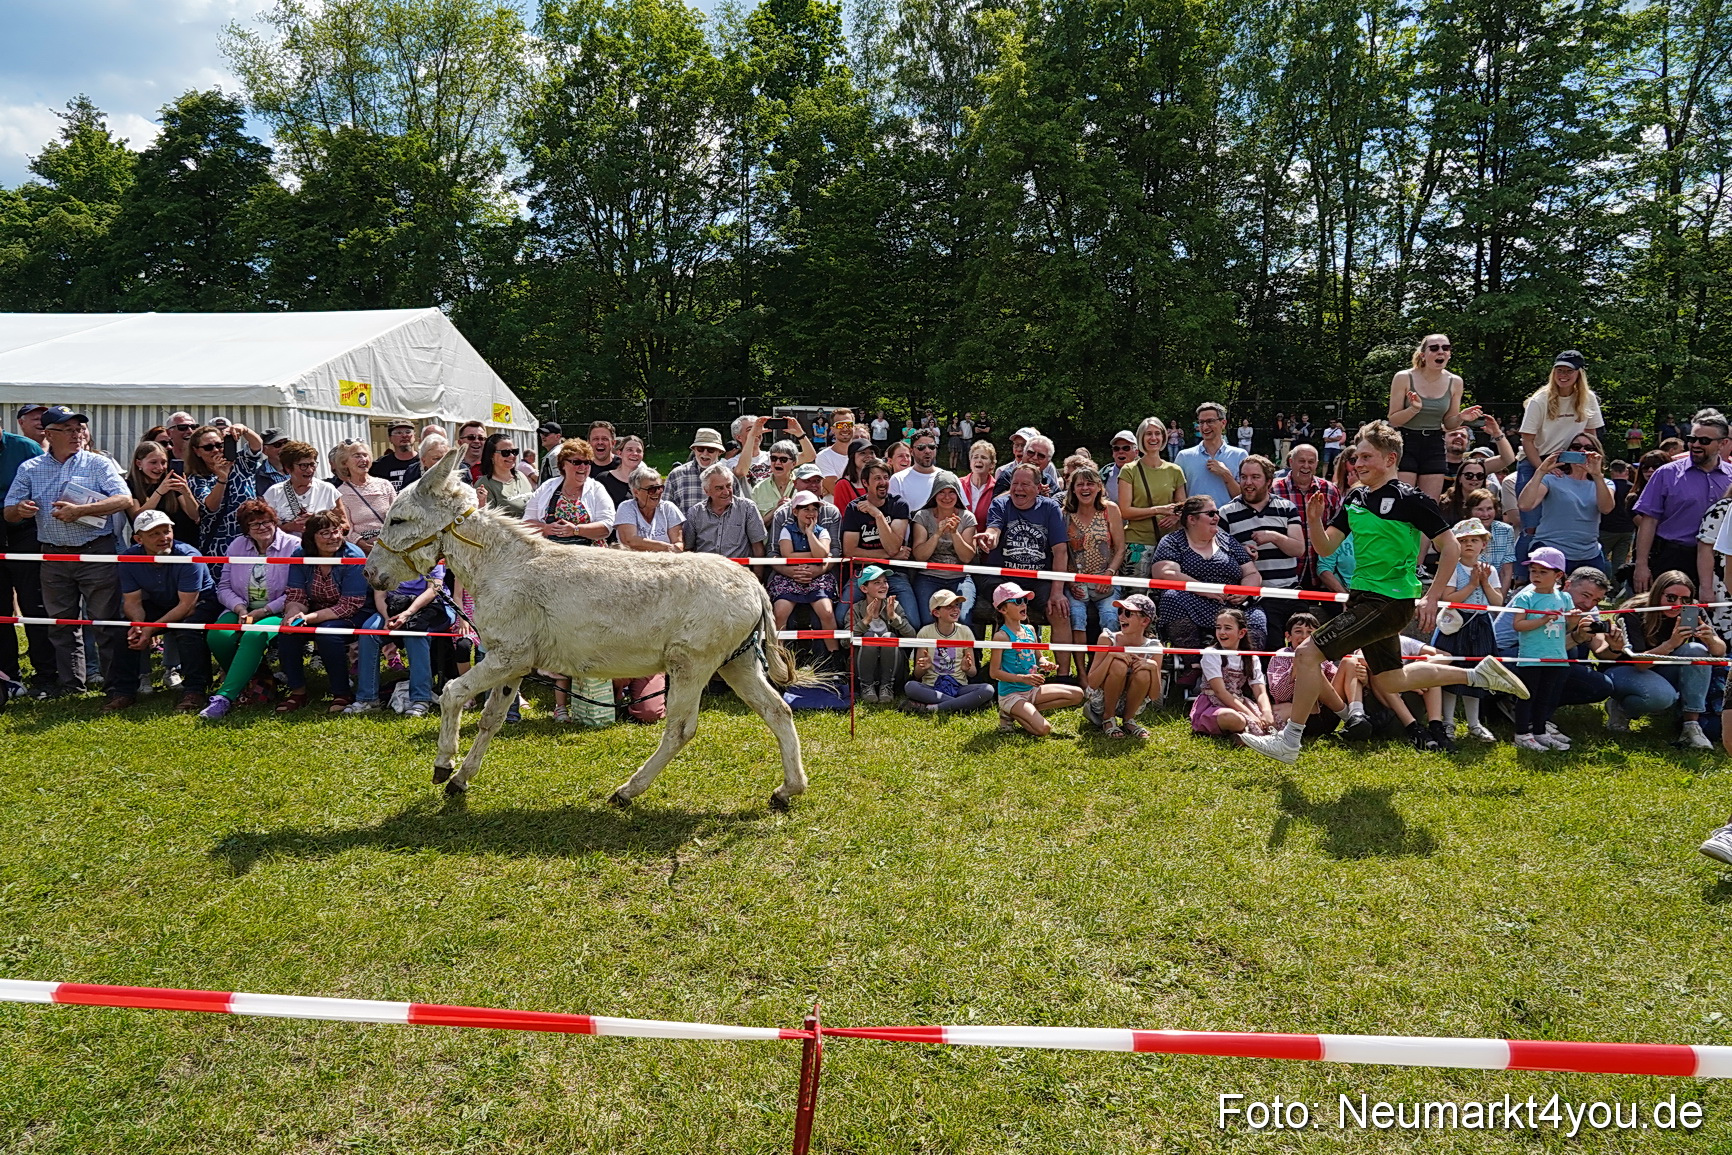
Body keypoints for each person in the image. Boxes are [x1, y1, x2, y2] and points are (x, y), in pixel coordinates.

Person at [1240, 420, 1531, 765]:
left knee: (1306, 654)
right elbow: (1326, 546)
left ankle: (1290, 741)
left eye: (1366, 457)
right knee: (1392, 679)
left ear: (1390, 458)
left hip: (1390, 600)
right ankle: (1478, 674)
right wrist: (1314, 520)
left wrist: (1433, 596)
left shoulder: (1411, 499)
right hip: (1363, 597)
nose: (1357, 464)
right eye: (1356, 457)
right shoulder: (1356, 497)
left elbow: (1450, 548)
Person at [2, 406, 133, 697]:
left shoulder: (98, 464)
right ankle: (71, 685)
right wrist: (19, 510)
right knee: (62, 624)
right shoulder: (30, 468)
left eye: (79, 429)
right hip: (53, 556)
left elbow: (124, 498)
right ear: (50, 434)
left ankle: (116, 685)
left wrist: (82, 511)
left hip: (96, 552)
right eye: (69, 430)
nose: (77, 435)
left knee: (105, 622)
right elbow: (9, 512)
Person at [106, 509, 216, 712]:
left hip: (200, 603)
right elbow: (132, 601)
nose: (163, 538)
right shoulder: (129, 558)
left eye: (166, 531)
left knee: (188, 630)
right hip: (161, 602)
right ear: (138, 538)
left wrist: (150, 629)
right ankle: (122, 692)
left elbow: (187, 605)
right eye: (154, 534)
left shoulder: (188, 556)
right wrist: (139, 626)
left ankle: (195, 690)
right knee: (125, 632)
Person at [200, 499, 299, 720]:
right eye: (254, 524)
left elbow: (296, 590)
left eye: (266, 522)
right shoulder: (236, 546)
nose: (262, 527)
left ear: (275, 522)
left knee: (254, 635)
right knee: (217, 637)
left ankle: (223, 698)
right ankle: (256, 678)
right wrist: (240, 608)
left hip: (278, 611)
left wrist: (264, 612)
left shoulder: (293, 546)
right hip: (241, 608)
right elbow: (223, 586)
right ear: (246, 529)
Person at [1617, 570, 1725, 748]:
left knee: (1697, 649)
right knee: (1660, 697)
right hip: (1628, 670)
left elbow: (1720, 651)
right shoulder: (1634, 611)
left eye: (1686, 599)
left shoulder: (1693, 610)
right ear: (1658, 593)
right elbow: (1639, 663)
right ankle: (1620, 707)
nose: (1678, 604)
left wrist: (1710, 639)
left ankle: (1691, 725)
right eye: (1671, 597)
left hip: (1664, 668)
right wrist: (1671, 643)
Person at [277, 512, 370, 713]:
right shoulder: (299, 555)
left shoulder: (354, 556)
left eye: (336, 531)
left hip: (356, 612)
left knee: (327, 634)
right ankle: (297, 692)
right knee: (287, 633)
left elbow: (349, 604)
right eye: (325, 533)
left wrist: (308, 618)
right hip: (314, 610)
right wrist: (292, 614)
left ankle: (341, 693)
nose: (334, 537)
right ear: (312, 538)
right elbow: (296, 594)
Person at [1150, 495, 1266, 651]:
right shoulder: (1173, 542)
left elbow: (1252, 573)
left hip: (1231, 604)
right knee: (1171, 597)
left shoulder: (1227, 541)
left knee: (1257, 616)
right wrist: (1203, 589)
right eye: (1210, 513)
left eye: (1217, 513)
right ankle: (1193, 664)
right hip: (1193, 600)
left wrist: (1244, 591)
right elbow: (1165, 572)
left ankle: (1246, 665)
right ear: (1192, 519)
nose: (1216, 517)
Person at [1633, 408, 1732, 589]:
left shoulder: (1730, 477)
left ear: (1722, 443)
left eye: (1704, 441)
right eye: (1692, 439)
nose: (1695, 445)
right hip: (1672, 558)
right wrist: (1641, 565)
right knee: (1669, 615)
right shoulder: (1667, 473)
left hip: (1720, 562)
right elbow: (1649, 522)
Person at [345, 559, 450, 719]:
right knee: (368, 632)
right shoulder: (384, 556)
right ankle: (368, 699)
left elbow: (433, 589)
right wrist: (388, 619)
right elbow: (379, 595)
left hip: (429, 606)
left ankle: (420, 699)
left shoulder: (428, 555)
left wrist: (407, 613)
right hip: (392, 607)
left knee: (414, 633)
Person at [1433, 518, 1503, 743]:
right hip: (1456, 625)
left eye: (1475, 540)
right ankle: (1448, 722)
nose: (1470, 544)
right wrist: (1472, 585)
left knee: (1478, 673)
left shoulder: (1489, 571)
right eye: (1463, 540)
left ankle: (1475, 723)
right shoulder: (1452, 567)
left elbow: (1497, 602)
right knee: (1451, 673)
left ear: (1484, 543)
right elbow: (1449, 598)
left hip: (1481, 626)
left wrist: (1484, 583)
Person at [1220, 455, 1304, 641]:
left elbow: (1298, 549)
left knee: (1307, 643)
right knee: (1272, 643)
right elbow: (1218, 555)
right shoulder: (1226, 513)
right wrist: (1240, 551)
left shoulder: (1286, 508)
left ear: (1269, 481)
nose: (1248, 482)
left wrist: (1273, 536)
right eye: (1243, 477)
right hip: (1258, 597)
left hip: (1290, 591)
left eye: (1255, 477)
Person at [977, 462, 1069, 632]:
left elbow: (1060, 551)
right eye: (1014, 484)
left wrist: (1057, 592)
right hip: (1002, 577)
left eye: (1025, 484)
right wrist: (989, 537)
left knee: (1060, 611)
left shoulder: (1050, 507)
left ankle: (1055, 659)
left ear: (1038, 488)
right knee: (1011, 600)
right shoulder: (1000, 504)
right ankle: (1010, 657)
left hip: (1038, 578)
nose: (1018, 488)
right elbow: (994, 530)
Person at [1388, 333, 1478, 502]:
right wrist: (1414, 409)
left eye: (1446, 348)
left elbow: (1450, 424)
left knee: (1429, 504)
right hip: (1405, 440)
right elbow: (1393, 419)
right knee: (1403, 500)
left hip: (1434, 443)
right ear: (1423, 354)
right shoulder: (1403, 377)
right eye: (1434, 348)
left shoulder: (1455, 381)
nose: (1441, 352)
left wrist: (1461, 417)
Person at [988, 581, 1085, 735]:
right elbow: (994, 673)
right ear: (1002, 609)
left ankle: (1017, 712)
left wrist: (1046, 664)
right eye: (1018, 601)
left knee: (1078, 694)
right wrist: (1022, 678)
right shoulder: (1001, 637)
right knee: (1044, 730)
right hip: (1011, 694)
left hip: (1032, 690)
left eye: (1025, 601)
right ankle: (1010, 710)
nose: (1023, 605)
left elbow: (1039, 657)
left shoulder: (1030, 630)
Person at [1507, 547, 1579, 752]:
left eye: (1542, 572)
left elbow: (1565, 627)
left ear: (1558, 576)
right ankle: (1522, 734)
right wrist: (1542, 619)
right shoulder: (1526, 597)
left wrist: (1572, 620)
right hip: (1531, 657)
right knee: (1527, 697)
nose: (1536, 576)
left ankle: (1540, 732)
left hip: (1556, 657)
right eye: (1533, 571)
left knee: (1545, 698)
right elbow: (1518, 625)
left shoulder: (1563, 598)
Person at [0, 403, 50, 695]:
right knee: (1, 611)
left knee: (34, 605)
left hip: (24, 533)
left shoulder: (26, 448)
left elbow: (45, 486)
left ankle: (45, 673)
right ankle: (8, 673)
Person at [1060, 465, 1125, 675]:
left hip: (1106, 577)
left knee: (1110, 616)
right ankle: (1081, 673)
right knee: (1077, 617)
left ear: (1099, 487)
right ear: (1073, 489)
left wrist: (1109, 575)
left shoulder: (1110, 510)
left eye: (1090, 483)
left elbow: (1120, 548)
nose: (1085, 488)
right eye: (1080, 484)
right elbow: (1062, 552)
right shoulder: (1065, 514)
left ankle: (1102, 669)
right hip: (1076, 579)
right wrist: (1070, 581)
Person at [1518, 431, 1614, 575]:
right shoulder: (1552, 479)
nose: (1582, 451)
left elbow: (1606, 508)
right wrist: (1541, 471)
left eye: (1589, 448)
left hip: (1588, 554)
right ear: (1567, 452)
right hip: (1550, 551)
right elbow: (1525, 505)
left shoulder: (1604, 483)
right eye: (1576, 447)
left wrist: (1597, 475)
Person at [770, 490, 842, 665]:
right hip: (789, 576)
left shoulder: (822, 531)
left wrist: (810, 534)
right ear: (795, 512)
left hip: (818, 577)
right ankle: (778, 658)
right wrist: (813, 557)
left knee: (826, 611)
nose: (811, 513)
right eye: (806, 509)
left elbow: (823, 555)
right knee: (780, 610)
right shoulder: (787, 530)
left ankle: (834, 658)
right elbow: (787, 554)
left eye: (814, 509)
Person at [1267, 613, 1368, 736]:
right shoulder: (1281, 655)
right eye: (1298, 631)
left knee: (1350, 662)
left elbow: (1332, 687)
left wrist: (1362, 678)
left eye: (1310, 633)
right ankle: (1348, 718)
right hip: (1301, 716)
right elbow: (1280, 694)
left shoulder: (1321, 656)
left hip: (1327, 713)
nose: (1304, 637)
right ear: (1288, 637)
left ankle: (1357, 714)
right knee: (1312, 669)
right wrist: (1297, 667)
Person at [1081, 593, 1162, 739]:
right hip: (1102, 701)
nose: (1121, 617)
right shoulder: (1107, 639)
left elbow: (1155, 695)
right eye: (1120, 611)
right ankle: (1108, 718)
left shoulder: (1154, 647)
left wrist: (1153, 666)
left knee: (1144, 671)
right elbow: (1092, 683)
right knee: (1118, 664)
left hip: (1132, 702)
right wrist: (1111, 655)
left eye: (1128, 613)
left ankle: (1128, 720)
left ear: (1145, 621)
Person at [902, 588, 993, 714]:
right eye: (949, 606)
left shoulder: (965, 631)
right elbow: (917, 675)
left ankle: (931, 708)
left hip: (958, 685)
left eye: (956, 605)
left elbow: (973, 673)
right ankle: (963, 703)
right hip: (932, 686)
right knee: (910, 687)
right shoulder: (925, 632)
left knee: (987, 689)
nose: (955, 609)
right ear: (936, 613)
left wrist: (967, 668)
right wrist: (924, 667)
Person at [185, 421, 270, 557]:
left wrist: (244, 429)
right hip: (218, 544)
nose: (215, 450)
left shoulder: (241, 462)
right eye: (208, 447)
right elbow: (211, 507)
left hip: (249, 539)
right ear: (197, 451)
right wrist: (222, 478)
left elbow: (257, 446)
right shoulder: (197, 479)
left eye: (219, 445)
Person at [1117, 416, 1187, 578]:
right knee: (1135, 598)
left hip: (1169, 544)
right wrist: (1159, 510)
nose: (1153, 438)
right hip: (1138, 543)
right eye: (1149, 434)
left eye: (1157, 433)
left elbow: (1182, 506)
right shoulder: (1129, 470)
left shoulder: (1175, 470)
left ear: (1163, 436)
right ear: (1141, 438)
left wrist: (1176, 517)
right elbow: (1125, 511)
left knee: (1167, 597)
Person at [1192, 608, 1275, 741]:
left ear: (1241, 633)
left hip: (1238, 702)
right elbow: (1220, 692)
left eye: (1228, 628)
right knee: (1234, 719)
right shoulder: (1212, 653)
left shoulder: (1250, 657)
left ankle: (1242, 734)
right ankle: (1243, 730)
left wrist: (1266, 712)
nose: (1222, 632)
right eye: (1218, 627)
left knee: (1282, 712)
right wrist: (1249, 714)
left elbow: (1260, 691)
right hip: (1213, 705)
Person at [909, 471, 978, 629]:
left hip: (960, 577)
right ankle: (929, 653)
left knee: (963, 619)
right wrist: (937, 533)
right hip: (928, 576)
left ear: (958, 495)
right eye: (942, 492)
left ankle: (965, 653)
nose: (947, 497)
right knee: (928, 620)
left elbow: (967, 557)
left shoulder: (967, 518)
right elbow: (920, 555)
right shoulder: (922, 516)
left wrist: (954, 533)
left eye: (951, 492)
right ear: (934, 494)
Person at [1271, 443, 1340, 594]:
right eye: (1301, 461)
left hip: (1320, 571)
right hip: (1284, 572)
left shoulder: (1329, 491)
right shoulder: (1274, 490)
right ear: (1291, 462)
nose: (1306, 466)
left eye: (1311, 461)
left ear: (1317, 464)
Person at [525, 438, 617, 546]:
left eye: (587, 462)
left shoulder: (596, 489)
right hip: (551, 554)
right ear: (563, 464)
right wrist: (545, 528)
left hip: (590, 555)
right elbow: (526, 523)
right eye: (576, 462)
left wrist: (576, 530)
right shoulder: (547, 487)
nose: (583, 467)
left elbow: (607, 527)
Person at [849, 564, 915, 704]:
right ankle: (866, 686)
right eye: (877, 582)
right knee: (869, 637)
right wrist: (865, 620)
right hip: (864, 667)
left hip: (892, 668)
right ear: (864, 588)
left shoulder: (894, 605)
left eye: (885, 582)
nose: (883, 586)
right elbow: (845, 643)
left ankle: (887, 687)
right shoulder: (855, 609)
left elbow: (912, 636)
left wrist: (894, 618)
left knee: (889, 637)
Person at [684, 462, 767, 558]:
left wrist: (758, 573)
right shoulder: (695, 513)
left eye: (728, 486)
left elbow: (757, 547)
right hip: (707, 570)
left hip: (738, 570)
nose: (726, 492)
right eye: (719, 488)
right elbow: (688, 551)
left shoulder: (747, 508)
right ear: (707, 491)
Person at [125, 440, 200, 547]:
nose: (160, 468)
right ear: (139, 463)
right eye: (153, 462)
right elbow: (138, 517)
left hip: (180, 544)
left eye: (164, 462)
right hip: (148, 547)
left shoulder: (171, 481)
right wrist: (159, 492)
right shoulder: (130, 485)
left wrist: (187, 492)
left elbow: (194, 515)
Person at [332, 439, 399, 550]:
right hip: (360, 551)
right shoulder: (341, 493)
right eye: (357, 456)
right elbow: (346, 529)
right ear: (344, 463)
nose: (363, 460)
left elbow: (398, 516)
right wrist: (364, 546)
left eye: (365, 455)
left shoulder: (385, 485)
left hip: (390, 547)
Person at [1174, 401, 1245, 506]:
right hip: (1195, 521)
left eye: (1210, 421)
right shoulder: (1184, 457)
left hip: (1229, 521)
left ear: (1223, 423)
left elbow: (1245, 498)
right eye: (1201, 422)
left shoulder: (1239, 455)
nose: (1205, 427)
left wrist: (1226, 475)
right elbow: (1177, 498)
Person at [263, 440, 340, 536]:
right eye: (303, 466)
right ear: (288, 468)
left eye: (312, 464)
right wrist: (288, 527)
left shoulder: (328, 490)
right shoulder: (273, 493)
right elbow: (263, 528)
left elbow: (345, 526)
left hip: (320, 549)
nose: (309, 470)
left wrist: (320, 521)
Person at [767, 464, 842, 560]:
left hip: (824, 569)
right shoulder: (782, 513)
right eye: (807, 481)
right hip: (788, 570)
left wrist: (819, 569)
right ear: (795, 483)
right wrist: (789, 570)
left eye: (817, 481)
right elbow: (773, 551)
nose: (813, 485)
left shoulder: (832, 512)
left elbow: (836, 550)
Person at [665, 428, 735, 515]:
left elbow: (739, 510)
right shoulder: (676, 475)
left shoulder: (729, 476)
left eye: (711, 450)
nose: (705, 454)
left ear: (719, 452)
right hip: (686, 528)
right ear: (694, 449)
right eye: (700, 449)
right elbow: (664, 510)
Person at [615, 466, 685, 551]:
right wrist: (667, 548)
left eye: (660, 487)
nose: (657, 492)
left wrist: (673, 549)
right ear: (636, 492)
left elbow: (678, 543)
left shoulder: (669, 508)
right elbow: (630, 541)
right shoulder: (626, 507)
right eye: (651, 489)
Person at [475, 433, 534, 519]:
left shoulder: (521, 475)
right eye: (505, 452)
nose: (512, 456)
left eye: (514, 452)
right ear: (491, 455)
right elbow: (485, 520)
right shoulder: (484, 485)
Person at [747, 436, 803, 522]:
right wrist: (776, 510)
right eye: (773, 458)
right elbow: (755, 527)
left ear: (794, 463)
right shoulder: (758, 489)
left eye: (783, 459)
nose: (777, 463)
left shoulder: (803, 486)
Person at [891, 428, 943, 511]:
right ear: (911, 451)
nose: (927, 451)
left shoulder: (948, 478)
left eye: (932, 447)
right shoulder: (898, 480)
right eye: (921, 447)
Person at [993, 432, 1060, 495]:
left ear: (1048, 461)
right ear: (1024, 453)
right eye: (1031, 452)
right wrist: (1016, 491)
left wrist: (1046, 498)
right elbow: (994, 502)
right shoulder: (1007, 476)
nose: (1035, 457)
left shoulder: (1049, 481)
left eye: (1041, 456)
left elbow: (1062, 503)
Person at [1601, 459, 1637, 575]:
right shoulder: (1633, 489)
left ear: (1611, 472)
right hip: (1627, 529)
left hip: (1607, 528)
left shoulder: (1607, 488)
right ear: (1626, 471)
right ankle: (1618, 588)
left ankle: (1602, 583)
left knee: (1601, 558)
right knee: (1620, 562)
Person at [814, 408, 857, 493]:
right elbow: (837, 491)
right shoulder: (823, 457)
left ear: (854, 427)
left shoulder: (864, 455)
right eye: (840, 425)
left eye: (848, 424)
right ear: (833, 429)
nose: (845, 429)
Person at [831, 438, 878, 510]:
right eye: (863, 453)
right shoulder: (843, 484)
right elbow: (843, 515)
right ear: (852, 457)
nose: (869, 456)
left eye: (871, 452)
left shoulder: (880, 481)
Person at [371, 421, 420, 489]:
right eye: (398, 433)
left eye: (408, 432)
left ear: (414, 437)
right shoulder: (380, 465)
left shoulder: (425, 461)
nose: (404, 435)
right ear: (390, 438)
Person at [960, 440, 998, 528]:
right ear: (970, 463)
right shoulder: (958, 484)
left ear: (992, 464)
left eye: (984, 457)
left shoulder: (997, 489)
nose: (979, 460)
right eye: (975, 457)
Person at [608, 434, 646, 499]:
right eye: (630, 450)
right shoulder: (605, 479)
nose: (635, 454)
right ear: (619, 453)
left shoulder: (648, 480)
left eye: (638, 451)